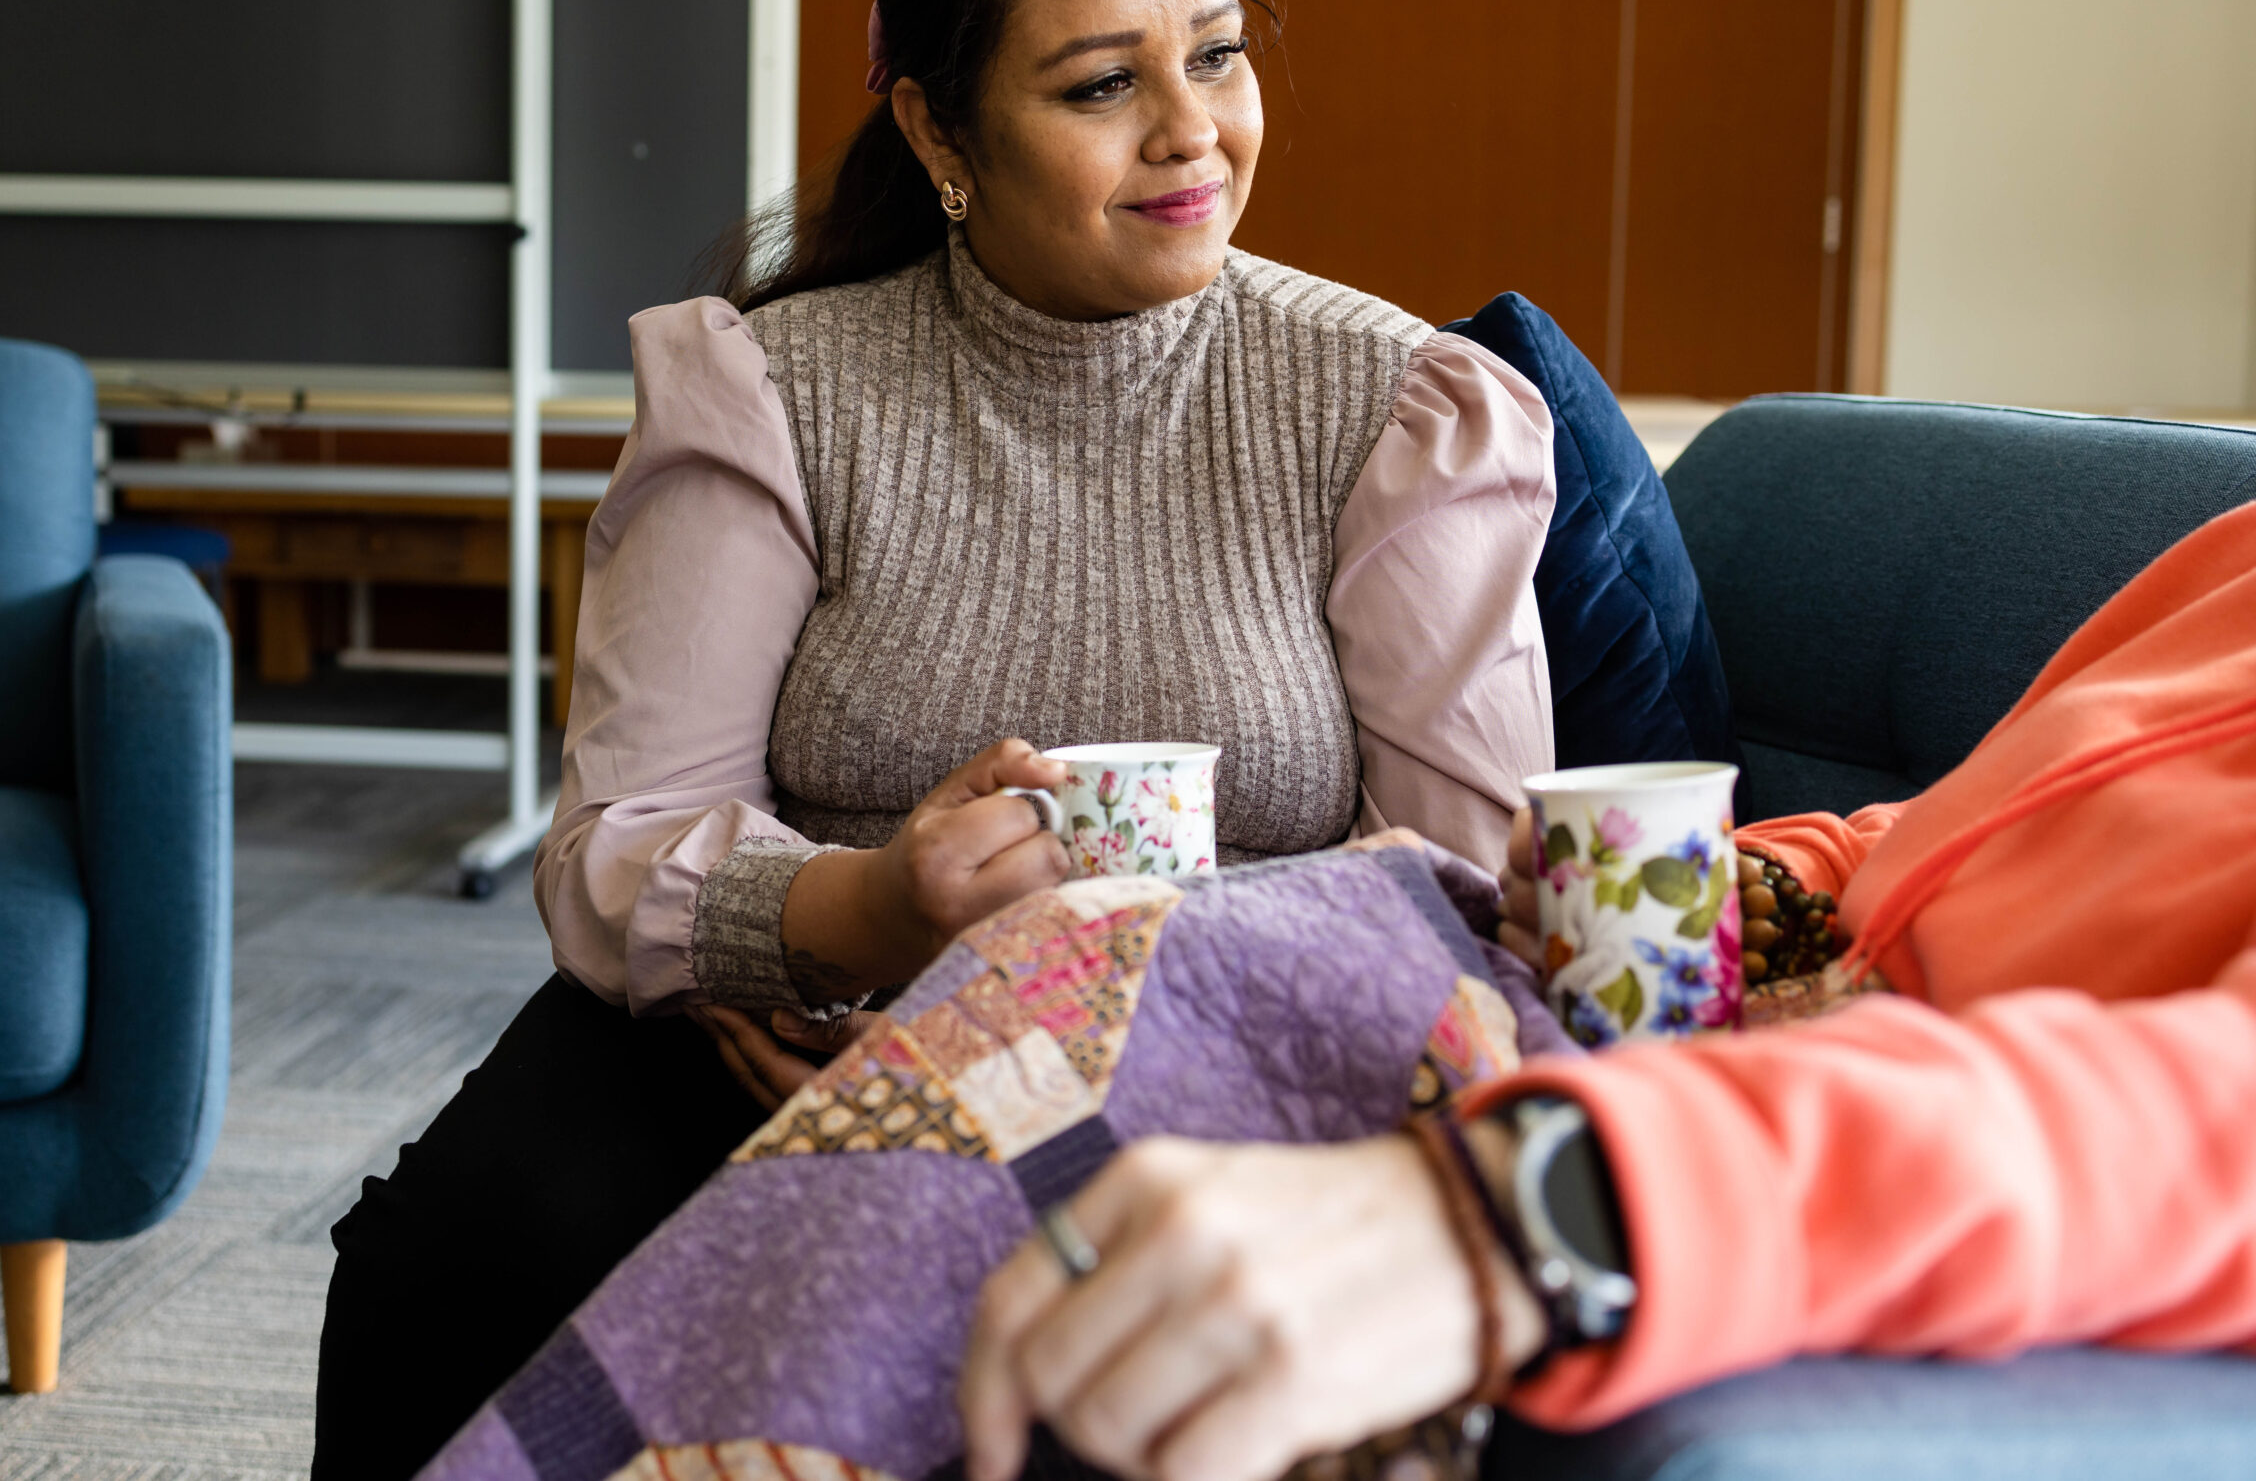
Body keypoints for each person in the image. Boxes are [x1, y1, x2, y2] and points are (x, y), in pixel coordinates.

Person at [312, 0, 1557, 1479]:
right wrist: (864, 912)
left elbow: (1477, 876)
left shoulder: (1392, 403)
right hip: (786, 1034)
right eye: (1103, 84)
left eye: (1220, 55)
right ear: (939, 130)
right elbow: (618, 845)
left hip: (1235, 1048)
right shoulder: (774, 389)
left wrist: (1056, 992)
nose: (1195, 133)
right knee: (457, 1253)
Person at [957, 497, 2256, 1481]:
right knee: (1131, 974)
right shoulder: (2230, 558)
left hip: (1822, 1154)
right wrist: (1728, 889)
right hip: (1712, 1031)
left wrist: (1546, 1206)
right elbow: (1947, 834)